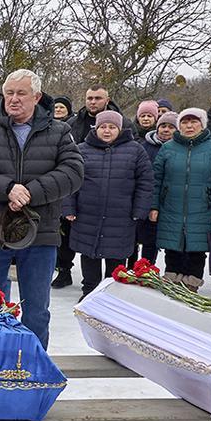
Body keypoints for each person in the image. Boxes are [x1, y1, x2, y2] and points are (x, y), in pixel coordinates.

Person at [0, 69, 84, 349]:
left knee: (36, 312)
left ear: (37, 97)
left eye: (21, 93)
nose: (13, 100)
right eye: (9, 94)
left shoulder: (60, 131)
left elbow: (73, 172)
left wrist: (31, 192)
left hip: (41, 234)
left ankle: (32, 368)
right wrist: (7, 188)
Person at [62, 110, 153, 299]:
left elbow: (145, 181)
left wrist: (139, 210)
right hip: (88, 213)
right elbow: (70, 180)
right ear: (96, 128)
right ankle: (89, 291)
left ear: (120, 129)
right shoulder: (81, 149)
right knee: (89, 254)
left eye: (112, 127)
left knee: (116, 256)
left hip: (121, 215)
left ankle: (111, 294)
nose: (107, 131)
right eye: (103, 127)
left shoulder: (135, 150)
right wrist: (69, 207)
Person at [150, 108, 211, 292]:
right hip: (171, 206)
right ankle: (172, 284)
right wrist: (154, 205)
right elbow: (156, 179)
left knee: (196, 249)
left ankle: (191, 287)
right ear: (179, 126)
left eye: (194, 122)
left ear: (202, 125)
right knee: (173, 247)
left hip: (202, 208)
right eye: (185, 122)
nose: (189, 126)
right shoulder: (168, 148)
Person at [135, 112, 178, 264]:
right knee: (146, 238)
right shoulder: (143, 147)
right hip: (147, 199)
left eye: (171, 127)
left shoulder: (180, 148)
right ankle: (140, 269)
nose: (166, 130)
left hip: (172, 201)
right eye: (163, 126)